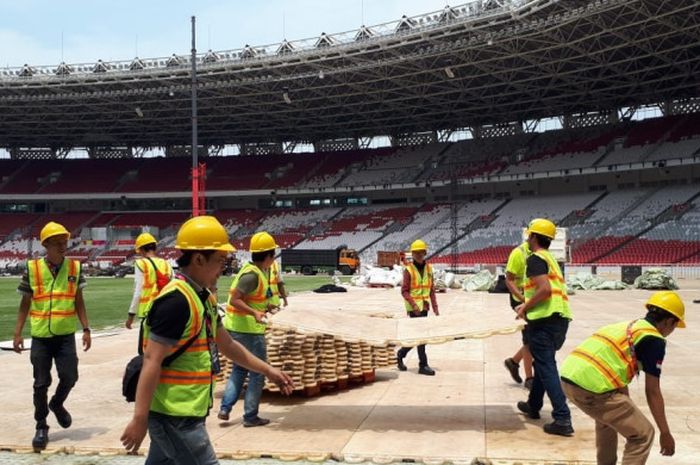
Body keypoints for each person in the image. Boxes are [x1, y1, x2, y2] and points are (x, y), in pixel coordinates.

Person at [120, 217, 293, 464]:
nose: (223, 267)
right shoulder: (176, 302)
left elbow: (229, 346)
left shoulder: (203, 298)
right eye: (220, 260)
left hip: (185, 410)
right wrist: (140, 419)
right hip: (176, 415)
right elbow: (151, 360)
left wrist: (269, 371)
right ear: (199, 259)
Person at [560, 291, 684, 464]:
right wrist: (665, 433)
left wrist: (626, 407)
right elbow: (653, 391)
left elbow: (618, 373)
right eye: (674, 326)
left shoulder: (629, 326)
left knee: (607, 421)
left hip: (569, 379)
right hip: (593, 388)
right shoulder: (654, 339)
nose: (671, 331)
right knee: (643, 435)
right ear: (670, 321)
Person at [12, 221, 91, 451]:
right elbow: (24, 302)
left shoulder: (75, 268)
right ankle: (41, 425)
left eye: (64, 241)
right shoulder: (32, 269)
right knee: (40, 384)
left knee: (70, 376)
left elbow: (79, 300)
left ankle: (57, 404)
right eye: (57, 242)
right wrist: (17, 333)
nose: (63, 245)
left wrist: (86, 329)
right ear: (46, 244)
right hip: (41, 336)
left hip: (65, 335)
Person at [514, 218, 574, 436]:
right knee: (542, 364)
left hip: (544, 322)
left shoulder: (535, 259)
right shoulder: (551, 258)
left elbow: (544, 290)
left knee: (547, 368)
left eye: (529, 235)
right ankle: (533, 405)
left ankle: (562, 417)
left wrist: (524, 306)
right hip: (559, 320)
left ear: (533, 237)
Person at [218, 231, 280, 426]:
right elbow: (235, 300)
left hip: (237, 327)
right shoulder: (252, 275)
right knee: (257, 372)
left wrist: (265, 307)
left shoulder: (256, 271)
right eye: (273, 255)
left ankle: (225, 408)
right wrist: (255, 313)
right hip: (248, 330)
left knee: (239, 368)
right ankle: (250, 416)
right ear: (268, 256)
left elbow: (252, 299)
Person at [396, 239, 439, 376]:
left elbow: (431, 289)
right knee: (421, 338)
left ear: (425, 253)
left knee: (418, 337)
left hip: (424, 307)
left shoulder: (429, 269)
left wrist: (435, 308)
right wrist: (414, 305)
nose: (419, 255)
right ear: (413, 254)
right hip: (414, 308)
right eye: (416, 252)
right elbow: (404, 291)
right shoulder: (408, 270)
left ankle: (400, 354)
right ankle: (423, 365)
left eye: (421, 252)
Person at [125, 233, 173, 350]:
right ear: (154, 247)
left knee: (145, 352)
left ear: (141, 249)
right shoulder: (166, 264)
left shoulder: (141, 264)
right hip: (167, 310)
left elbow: (138, 291)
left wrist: (131, 316)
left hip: (149, 312)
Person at [504, 237, 534, 389]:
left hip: (532, 299)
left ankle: (514, 362)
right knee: (529, 338)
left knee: (533, 337)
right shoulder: (518, 253)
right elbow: (508, 279)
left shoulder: (540, 252)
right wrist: (523, 299)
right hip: (520, 299)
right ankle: (530, 378)